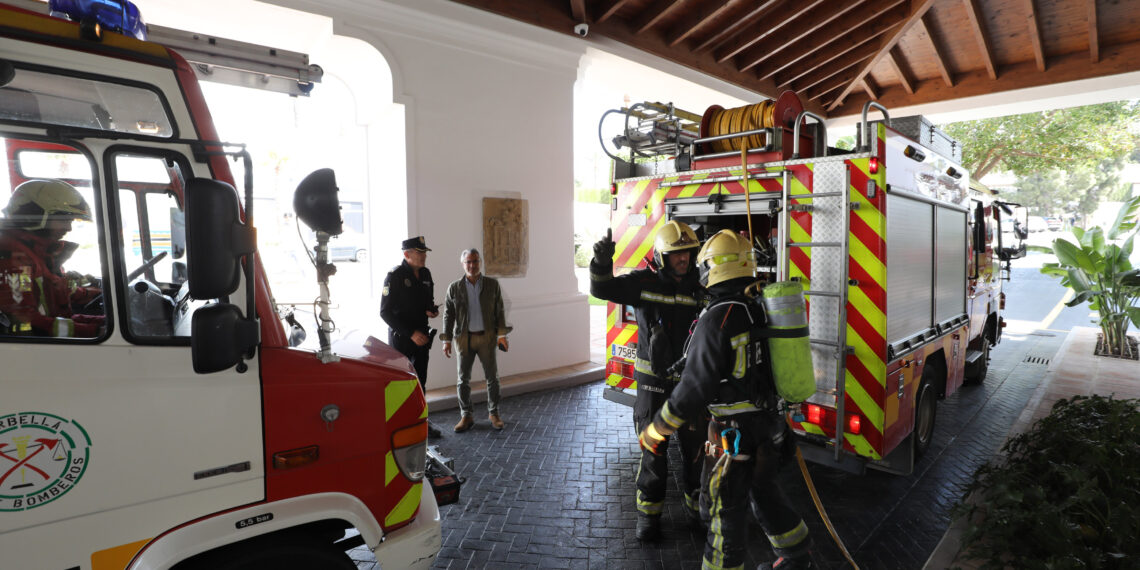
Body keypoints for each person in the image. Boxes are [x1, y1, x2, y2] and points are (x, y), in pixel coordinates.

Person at [638, 230, 812, 570]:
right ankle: (796, 555)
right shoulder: (760, 307)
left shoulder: (718, 317)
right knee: (764, 492)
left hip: (734, 437)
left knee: (723, 513)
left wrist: (657, 429)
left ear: (712, 268)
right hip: (769, 428)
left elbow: (694, 388)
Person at [590, 220, 706, 541]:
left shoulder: (701, 288)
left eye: (688, 253)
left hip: (690, 389)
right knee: (653, 452)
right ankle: (649, 517)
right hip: (653, 389)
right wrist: (601, 263)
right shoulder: (644, 283)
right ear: (661, 256)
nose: (683, 260)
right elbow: (602, 289)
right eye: (675, 254)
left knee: (695, 453)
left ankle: (696, 512)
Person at [0, 179, 102, 337]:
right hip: (34, 352)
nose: (68, 228)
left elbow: (56, 313)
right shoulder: (14, 259)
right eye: (63, 220)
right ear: (33, 214)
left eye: (70, 221)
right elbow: (26, 322)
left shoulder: (42, 253)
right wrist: (94, 331)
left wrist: (102, 322)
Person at [440, 248, 511, 432]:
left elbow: (499, 311)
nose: (472, 265)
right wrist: (446, 340)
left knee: (492, 378)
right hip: (463, 340)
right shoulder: (454, 288)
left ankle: (493, 413)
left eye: (475, 261)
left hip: (487, 338)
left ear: (480, 262)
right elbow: (448, 315)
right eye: (468, 262)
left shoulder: (492, 285)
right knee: (462, 380)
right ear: (463, 264)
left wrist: (502, 335)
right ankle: (466, 415)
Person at [381, 235, 442, 438]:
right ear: (407, 254)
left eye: (424, 253)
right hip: (402, 338)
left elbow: (427, 302)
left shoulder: (425, 273)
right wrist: (410, 333)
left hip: (422, 336)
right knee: (402, 382)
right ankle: (401, 425)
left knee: (420, 380)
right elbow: (385, 312)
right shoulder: (395, 276)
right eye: (419, 253)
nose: (424, 256)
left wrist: (431, 311)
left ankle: (422, 421)